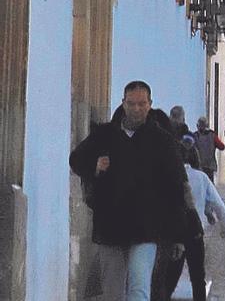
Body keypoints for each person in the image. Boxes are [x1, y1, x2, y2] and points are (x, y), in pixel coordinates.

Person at [69, 80, 198, 300]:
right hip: (110, 226)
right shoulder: (105, 134)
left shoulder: (162, 141)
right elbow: (76, 160)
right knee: (113, 292)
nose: (136, 109)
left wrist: (180, 233)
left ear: (150, 104)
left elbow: (177, 188)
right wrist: (95, 165)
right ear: (123, 103)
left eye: (142, 104)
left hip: (146, 228)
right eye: (132, 103)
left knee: (139, 289)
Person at [164, 144, 225, 301]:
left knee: (170, 277)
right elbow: (216, 202)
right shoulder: (201, 177)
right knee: (197, 276)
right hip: (195, 232)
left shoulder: (167, 177)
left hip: (174, 233)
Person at [192, 116, 224, 182]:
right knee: (209, 185)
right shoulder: (212, 135)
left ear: (197, 125)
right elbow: (222, 146)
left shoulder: (194, 136)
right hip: (210, 165)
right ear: (206, 125)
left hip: (198, 166)